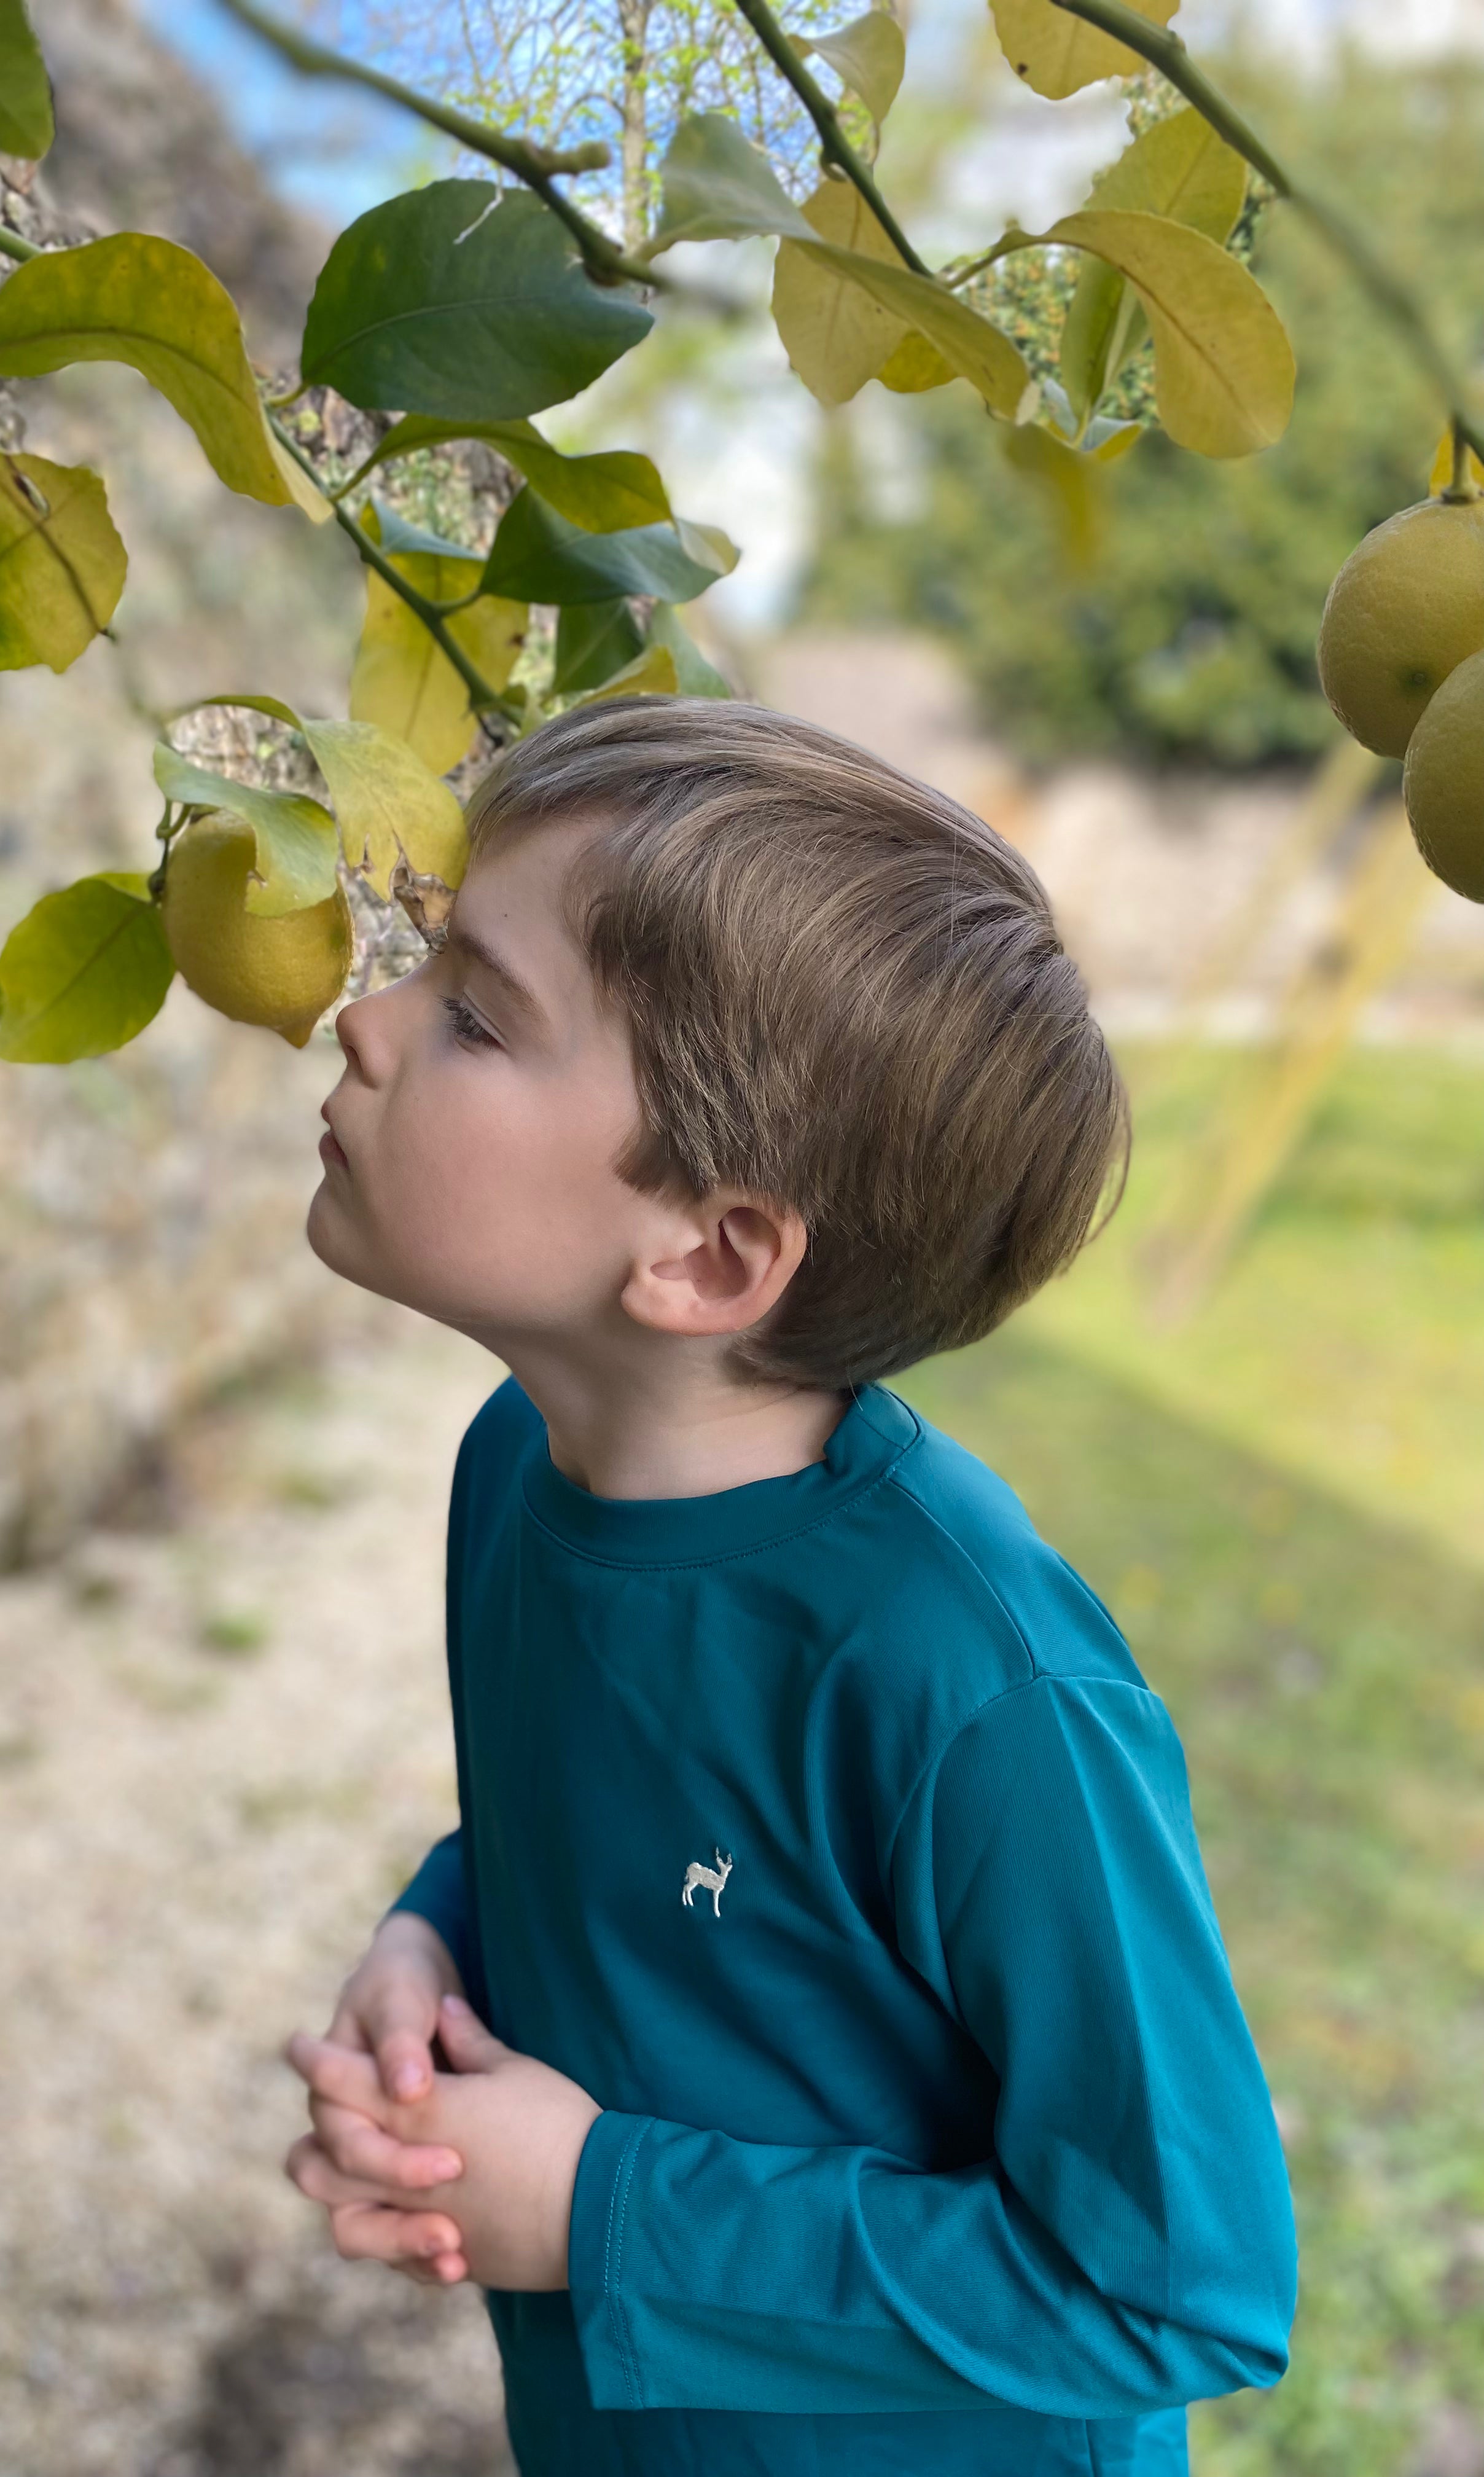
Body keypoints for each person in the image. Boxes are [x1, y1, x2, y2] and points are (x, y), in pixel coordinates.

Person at [281, 697, 1297, 2477]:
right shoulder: (517, 1470)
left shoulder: (974, 1690)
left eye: (470, 1014)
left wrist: (604, 2215)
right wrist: (442, 1929)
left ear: (711, 1252)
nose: (358, 1024)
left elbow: (1176, 2286)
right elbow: (608, 1829)